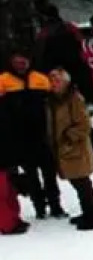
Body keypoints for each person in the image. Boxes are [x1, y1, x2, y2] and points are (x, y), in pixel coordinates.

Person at [0, 51, 58, 220]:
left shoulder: (41, 79)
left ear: (29, 61)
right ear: (11, 63)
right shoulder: (3, 81)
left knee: (50, 175)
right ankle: (39, 207)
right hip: (20, 139)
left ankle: (55, 205)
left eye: (23, 62)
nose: (20, 65)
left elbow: (53, 104)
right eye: (17, 62)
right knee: (31, 177)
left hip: (42, 137)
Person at [43, 69, 93, 231]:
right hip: (62, 150)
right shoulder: (51, 100)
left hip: (75, 149)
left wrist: (68, 138)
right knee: (77, 183)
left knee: (83, 183)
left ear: (66, 82)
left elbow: (84, 125)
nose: (53, 84)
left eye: (57, 80)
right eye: (51, 80)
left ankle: (92, 218)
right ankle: (87, 213)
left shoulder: (74, 98)